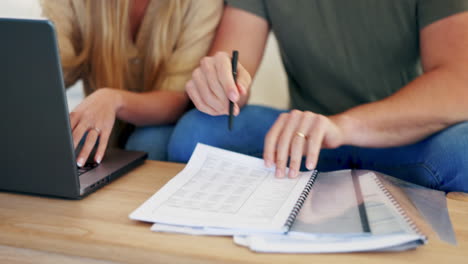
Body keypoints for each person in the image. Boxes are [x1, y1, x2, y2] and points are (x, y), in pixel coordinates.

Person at [168, 1, 468, 193]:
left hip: (399, 139)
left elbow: (458, 84)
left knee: (462, 150)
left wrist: (342, 126)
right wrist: (220, 86)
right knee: (195, 131)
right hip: (308, 143)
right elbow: (236, 65)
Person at [40, 0, 222, 165]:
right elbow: (53, 70)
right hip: (102, 136)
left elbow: (177, 99)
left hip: (166, 126)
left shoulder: (199, 4)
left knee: (149, 143)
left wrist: (115, 100)